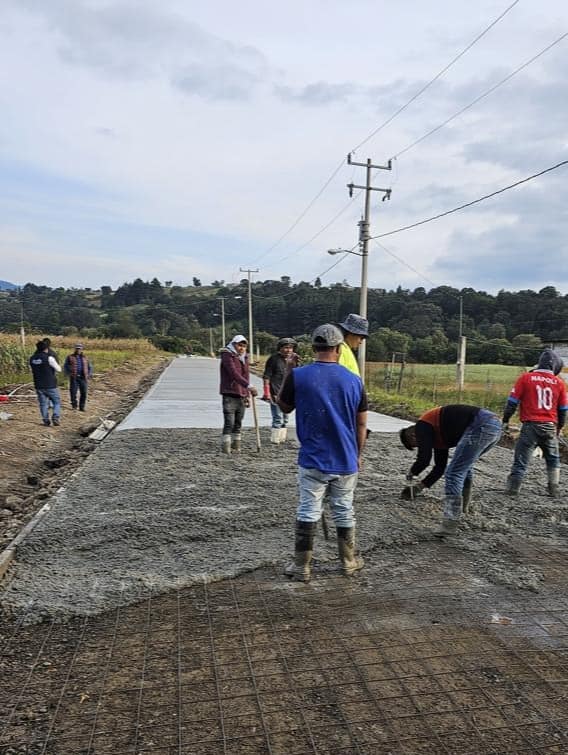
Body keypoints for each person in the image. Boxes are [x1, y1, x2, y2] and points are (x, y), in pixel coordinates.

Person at [277, 323, 368, 582]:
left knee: (308, 509)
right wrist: (357, 454)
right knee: (343, 509)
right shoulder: (354, 381)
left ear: (313, 347)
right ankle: (349, 562)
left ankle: (302, 566)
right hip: (345, 458)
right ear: (338, 349)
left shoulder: (300, 375)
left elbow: (283, 407)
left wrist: (290, 371)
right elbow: (361, 423)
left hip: (313, 458)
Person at [399, 404, 502, 537]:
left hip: (481, 425)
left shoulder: (422, 426)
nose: (422, 445)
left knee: (454, 472)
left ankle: (450, 523)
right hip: (493, 426)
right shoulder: (438, 432)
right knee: (464, 468)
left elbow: (424, 459)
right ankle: (464, 509)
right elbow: (439, 467)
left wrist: (412, 472)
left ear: (413, 436)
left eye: (418, 444)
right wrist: (418, 488)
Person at [503, 348, 567, 498]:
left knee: (521, 459)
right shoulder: (560, 383)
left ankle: (513, 490)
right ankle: (554, 489)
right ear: (554, 366)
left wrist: (505, 420)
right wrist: (559, 427)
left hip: (530, 426)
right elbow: (563, 409)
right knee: (553, 458)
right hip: (550, 426)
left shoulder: (525, 378)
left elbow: (511, 403)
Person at [219, 334, 258, 454]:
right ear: (234, 344)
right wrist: (249, 386)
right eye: (239, 345)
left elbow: (246, 375)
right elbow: (234, 373)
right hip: (229, 392)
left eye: (243, 346)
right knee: (229, 421)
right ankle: (226, 447)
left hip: (241, 394)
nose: (241, 348)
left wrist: (246, 394)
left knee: (238, 421)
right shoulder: (227, 355)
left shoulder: (244, 357)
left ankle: (236, 445)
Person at [262, 337, 300, 444]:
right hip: (275, 391)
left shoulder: (293, 360)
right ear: (280, 348)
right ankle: (275, 439)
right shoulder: (273, 359)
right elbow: (266, 376)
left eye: (291, 348)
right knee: (277, 417)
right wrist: (266, 392)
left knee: (285, 418)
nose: (288, 350)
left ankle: (282, 438)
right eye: (286, 348)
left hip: (287, 393)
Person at [29, 340, 62, 427]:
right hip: (50, 384)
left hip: (38, 385)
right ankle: (55, 416)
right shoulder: (49, 358)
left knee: (43, 404)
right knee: (56, 402)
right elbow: (59, 369)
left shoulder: (32, 358)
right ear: (46, 348)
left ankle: (45, 420)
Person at [63, 343, 93, 411]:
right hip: (74, 377)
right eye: (77, 348)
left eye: (79, 348)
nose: (78, 350)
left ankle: (82, 407)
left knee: (84, 393)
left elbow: (90, 366)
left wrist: (89, 374)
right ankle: (74, 406)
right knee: (73, 392)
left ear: (82, 349)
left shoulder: (85, 357)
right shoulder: (70, 357)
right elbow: (66, 366)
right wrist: (67, 373)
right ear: (75, 349)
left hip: (83, 377)